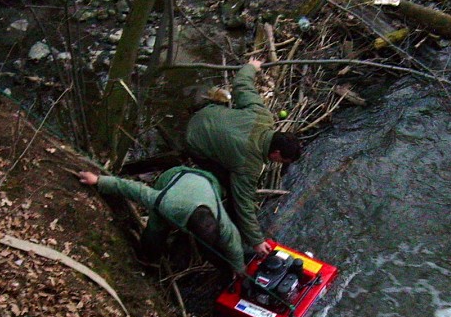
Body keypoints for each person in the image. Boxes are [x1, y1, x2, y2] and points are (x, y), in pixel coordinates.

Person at [185, 58, 301, 257]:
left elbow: (241, 85)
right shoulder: (249, 166)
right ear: (276, 153)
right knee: (230, 185)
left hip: (205, 115)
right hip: (194, 142)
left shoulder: (263, 115)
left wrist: (251, 67)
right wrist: (256, 241)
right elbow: (244, 204)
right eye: (281, 161)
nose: (279, 164)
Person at [77, 166, 246, 274]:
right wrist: (99, 181)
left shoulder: (220, 220)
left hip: (207, 179)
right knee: (155, 232)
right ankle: (149, 258)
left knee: (212, 246)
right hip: (174, 176)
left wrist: (239, 269)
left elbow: (234, 243)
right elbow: (134, 189)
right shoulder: (165, 204)